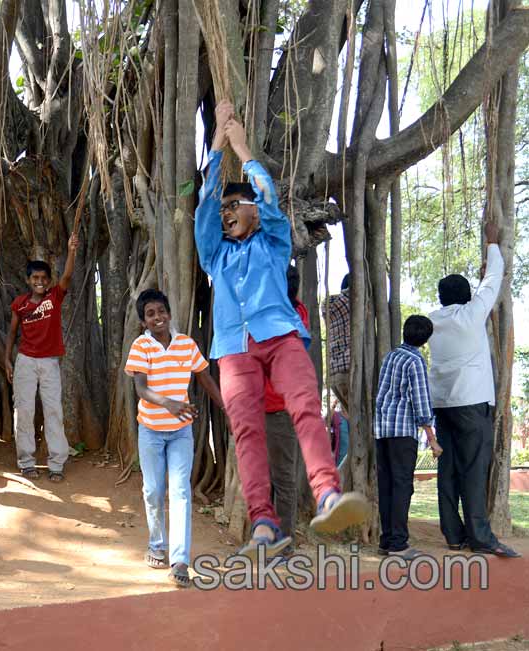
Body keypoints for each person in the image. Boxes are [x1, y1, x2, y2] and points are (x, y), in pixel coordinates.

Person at [194, 100, 369, 560]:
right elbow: (203, 211)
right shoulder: (216, 255)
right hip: (234, 349)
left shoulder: (272, 241)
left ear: (253, 209)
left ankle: (328, 494)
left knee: (306, 406)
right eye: (225, 208)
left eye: (237, 205)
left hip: (280, 336)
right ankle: (264, 522)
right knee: (245, 431)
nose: (228, 212)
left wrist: (242, 147)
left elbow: (268, 197)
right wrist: (215, 149)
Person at [429, 222, 520, 558]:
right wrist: (493, 243)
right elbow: (493, 280)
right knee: (474, 469)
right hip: (471, 405)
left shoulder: (432, 321)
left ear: (441, 297)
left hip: (441, 405)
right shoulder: (472, 314)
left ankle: (453, 535)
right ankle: (481, 537)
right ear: (467, 296)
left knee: (448, 469)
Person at [125, 289, 224, 588]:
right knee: (153, 491)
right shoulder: (141, 347)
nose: (157, 318)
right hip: (151, 431)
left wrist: (225, 407)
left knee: (180, 492)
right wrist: (168, 403)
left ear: (169, 313)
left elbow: (205, 377)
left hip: (181, 431)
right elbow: (140, 389)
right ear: (144, 321)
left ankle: (180, 560)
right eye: (151, 314)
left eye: (161, 311)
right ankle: (157, 544)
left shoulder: (186, 345)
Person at [4, 233, 80, 482]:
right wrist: (7, 359)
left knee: (53, 410)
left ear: (49, 282)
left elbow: (67, 276)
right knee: (24, 410)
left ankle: (57, 463)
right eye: (35, 278)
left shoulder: (54, 297)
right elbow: (13, 332)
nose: (39, 281)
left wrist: (71, 250)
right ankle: (26, 462)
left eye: (43, 278)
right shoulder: (20, 304)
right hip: (25, 360)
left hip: (49, 362)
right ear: (28, 280)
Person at [374, 315, 443, 560]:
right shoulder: (415, 361)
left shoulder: (390, 357)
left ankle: (386, 540)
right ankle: (399, 544)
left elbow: (380, 396)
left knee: (387, 485)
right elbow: (422, 403)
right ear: (426, 339)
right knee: (403, 486)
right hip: (403, 433)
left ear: (404, 331)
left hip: (382, 432)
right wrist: (432, 439)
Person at [263, 265, 309, 549]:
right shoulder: (297, 312)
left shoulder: (284, 318)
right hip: (264, 406)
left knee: (282, 479)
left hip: (278, 408)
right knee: (266, 478)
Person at [323, 274, 351, 414]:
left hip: (334, 373)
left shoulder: (328, 305)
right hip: (350, 370)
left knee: (351, 418)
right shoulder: (352, 302)